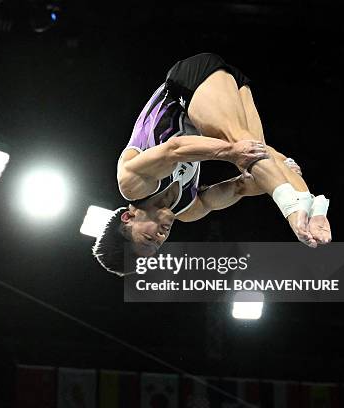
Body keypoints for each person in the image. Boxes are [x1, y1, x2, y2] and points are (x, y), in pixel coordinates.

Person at [93, 53, 331, 275]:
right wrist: (283, 171)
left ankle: (293, 211)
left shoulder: (133, 185)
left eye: (148, 239)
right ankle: (314, 212)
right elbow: (242, 187)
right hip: (226, 94)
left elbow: (173, 150)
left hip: (188, 83)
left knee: (241, 146)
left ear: (128, 217)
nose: (160, 238)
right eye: (157, 246)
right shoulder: (190, 210)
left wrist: (230, 151)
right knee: (259, 153)